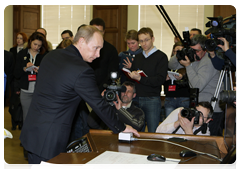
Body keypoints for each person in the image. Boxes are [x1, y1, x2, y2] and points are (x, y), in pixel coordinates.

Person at [19, 25, 139, 168]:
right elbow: (99, 105)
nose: (98, 54)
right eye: (96, 48)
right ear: (81, 41)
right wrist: (121, 127)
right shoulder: (82, 70)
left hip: (32, 132)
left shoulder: (51, 56)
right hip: (50, 139)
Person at [168, 34, 223, 136]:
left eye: (196, 50)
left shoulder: (208, 61)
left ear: (205, 49)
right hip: (200, 107)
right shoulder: (193, 57)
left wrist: (188, 66)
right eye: (192, 50)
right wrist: (180, 53)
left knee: (211, 141)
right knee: (196, 137)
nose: (194, 53)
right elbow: (171, 65)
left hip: (212, 110)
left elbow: (197, 86)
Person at [128, 27, 168, 132]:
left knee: (153, 132)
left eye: (146, 40)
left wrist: (141, 78)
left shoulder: (161, 57)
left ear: (153, 39)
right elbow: (133, 77)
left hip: (152, 99)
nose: (144, 43)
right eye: (141, 41)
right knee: (136, 131)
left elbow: (160, 80)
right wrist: (131, 74)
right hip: (137, 98)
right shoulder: (138, 57)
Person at [164, 42, 190, 118]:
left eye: (182, 51)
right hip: (169, 98)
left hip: (184, 98)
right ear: (173, 51)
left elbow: (193, 83)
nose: (179, 53)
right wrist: (165, 79)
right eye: (177, 51)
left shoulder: (189, 65)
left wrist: (183, 77)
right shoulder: (168, 65)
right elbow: (161, 82)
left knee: (184, 123)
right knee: (169, 124)